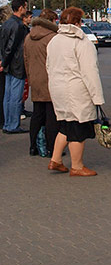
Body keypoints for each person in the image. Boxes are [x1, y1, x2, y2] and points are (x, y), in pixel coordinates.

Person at [46, 7, 105, 177]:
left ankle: (55, 160)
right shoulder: (81, 41)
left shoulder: (54, 40)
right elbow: (90, 72)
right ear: (79, 22)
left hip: (58, 89)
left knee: (65, 125)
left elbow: (49, 67)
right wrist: (97, 97)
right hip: (77, 91)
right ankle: (77, 166)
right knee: (78, 129)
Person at [23, 9, 60, 155]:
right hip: (50, 80)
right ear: (51, 21)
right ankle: (52, 147)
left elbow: (26, 59)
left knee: (38, 113)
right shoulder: (52, 38)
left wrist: (31, 77)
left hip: (35, 79)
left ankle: (34, 146)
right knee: (52, 115)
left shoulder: (28, 37)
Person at [1, 0, 29, 134]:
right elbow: (12, 47)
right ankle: (13, 124)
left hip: (8, 65)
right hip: (17, 64)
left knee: (8, 96)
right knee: (16, 97)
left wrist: (3, 62)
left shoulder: (7, 23)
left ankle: (7, 123)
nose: (26, 10)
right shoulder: (19, 26)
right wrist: (5, 61)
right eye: (25, 7)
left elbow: (4, 46)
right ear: (21, 8)